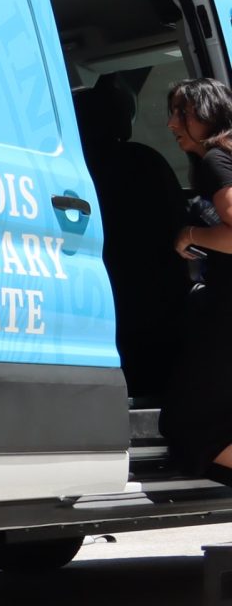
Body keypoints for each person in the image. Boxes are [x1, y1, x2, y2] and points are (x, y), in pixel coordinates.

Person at [77, 81, 189, 396]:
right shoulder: (145, 161)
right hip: (154, 299)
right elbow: (177, 220)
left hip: (103, 297)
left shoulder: (76, 167)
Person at [165, 78, 232, 482]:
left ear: (206, 112)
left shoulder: (216, 161)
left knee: (191, 428)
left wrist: (190, 236)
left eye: (181, 112)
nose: (173, 124)